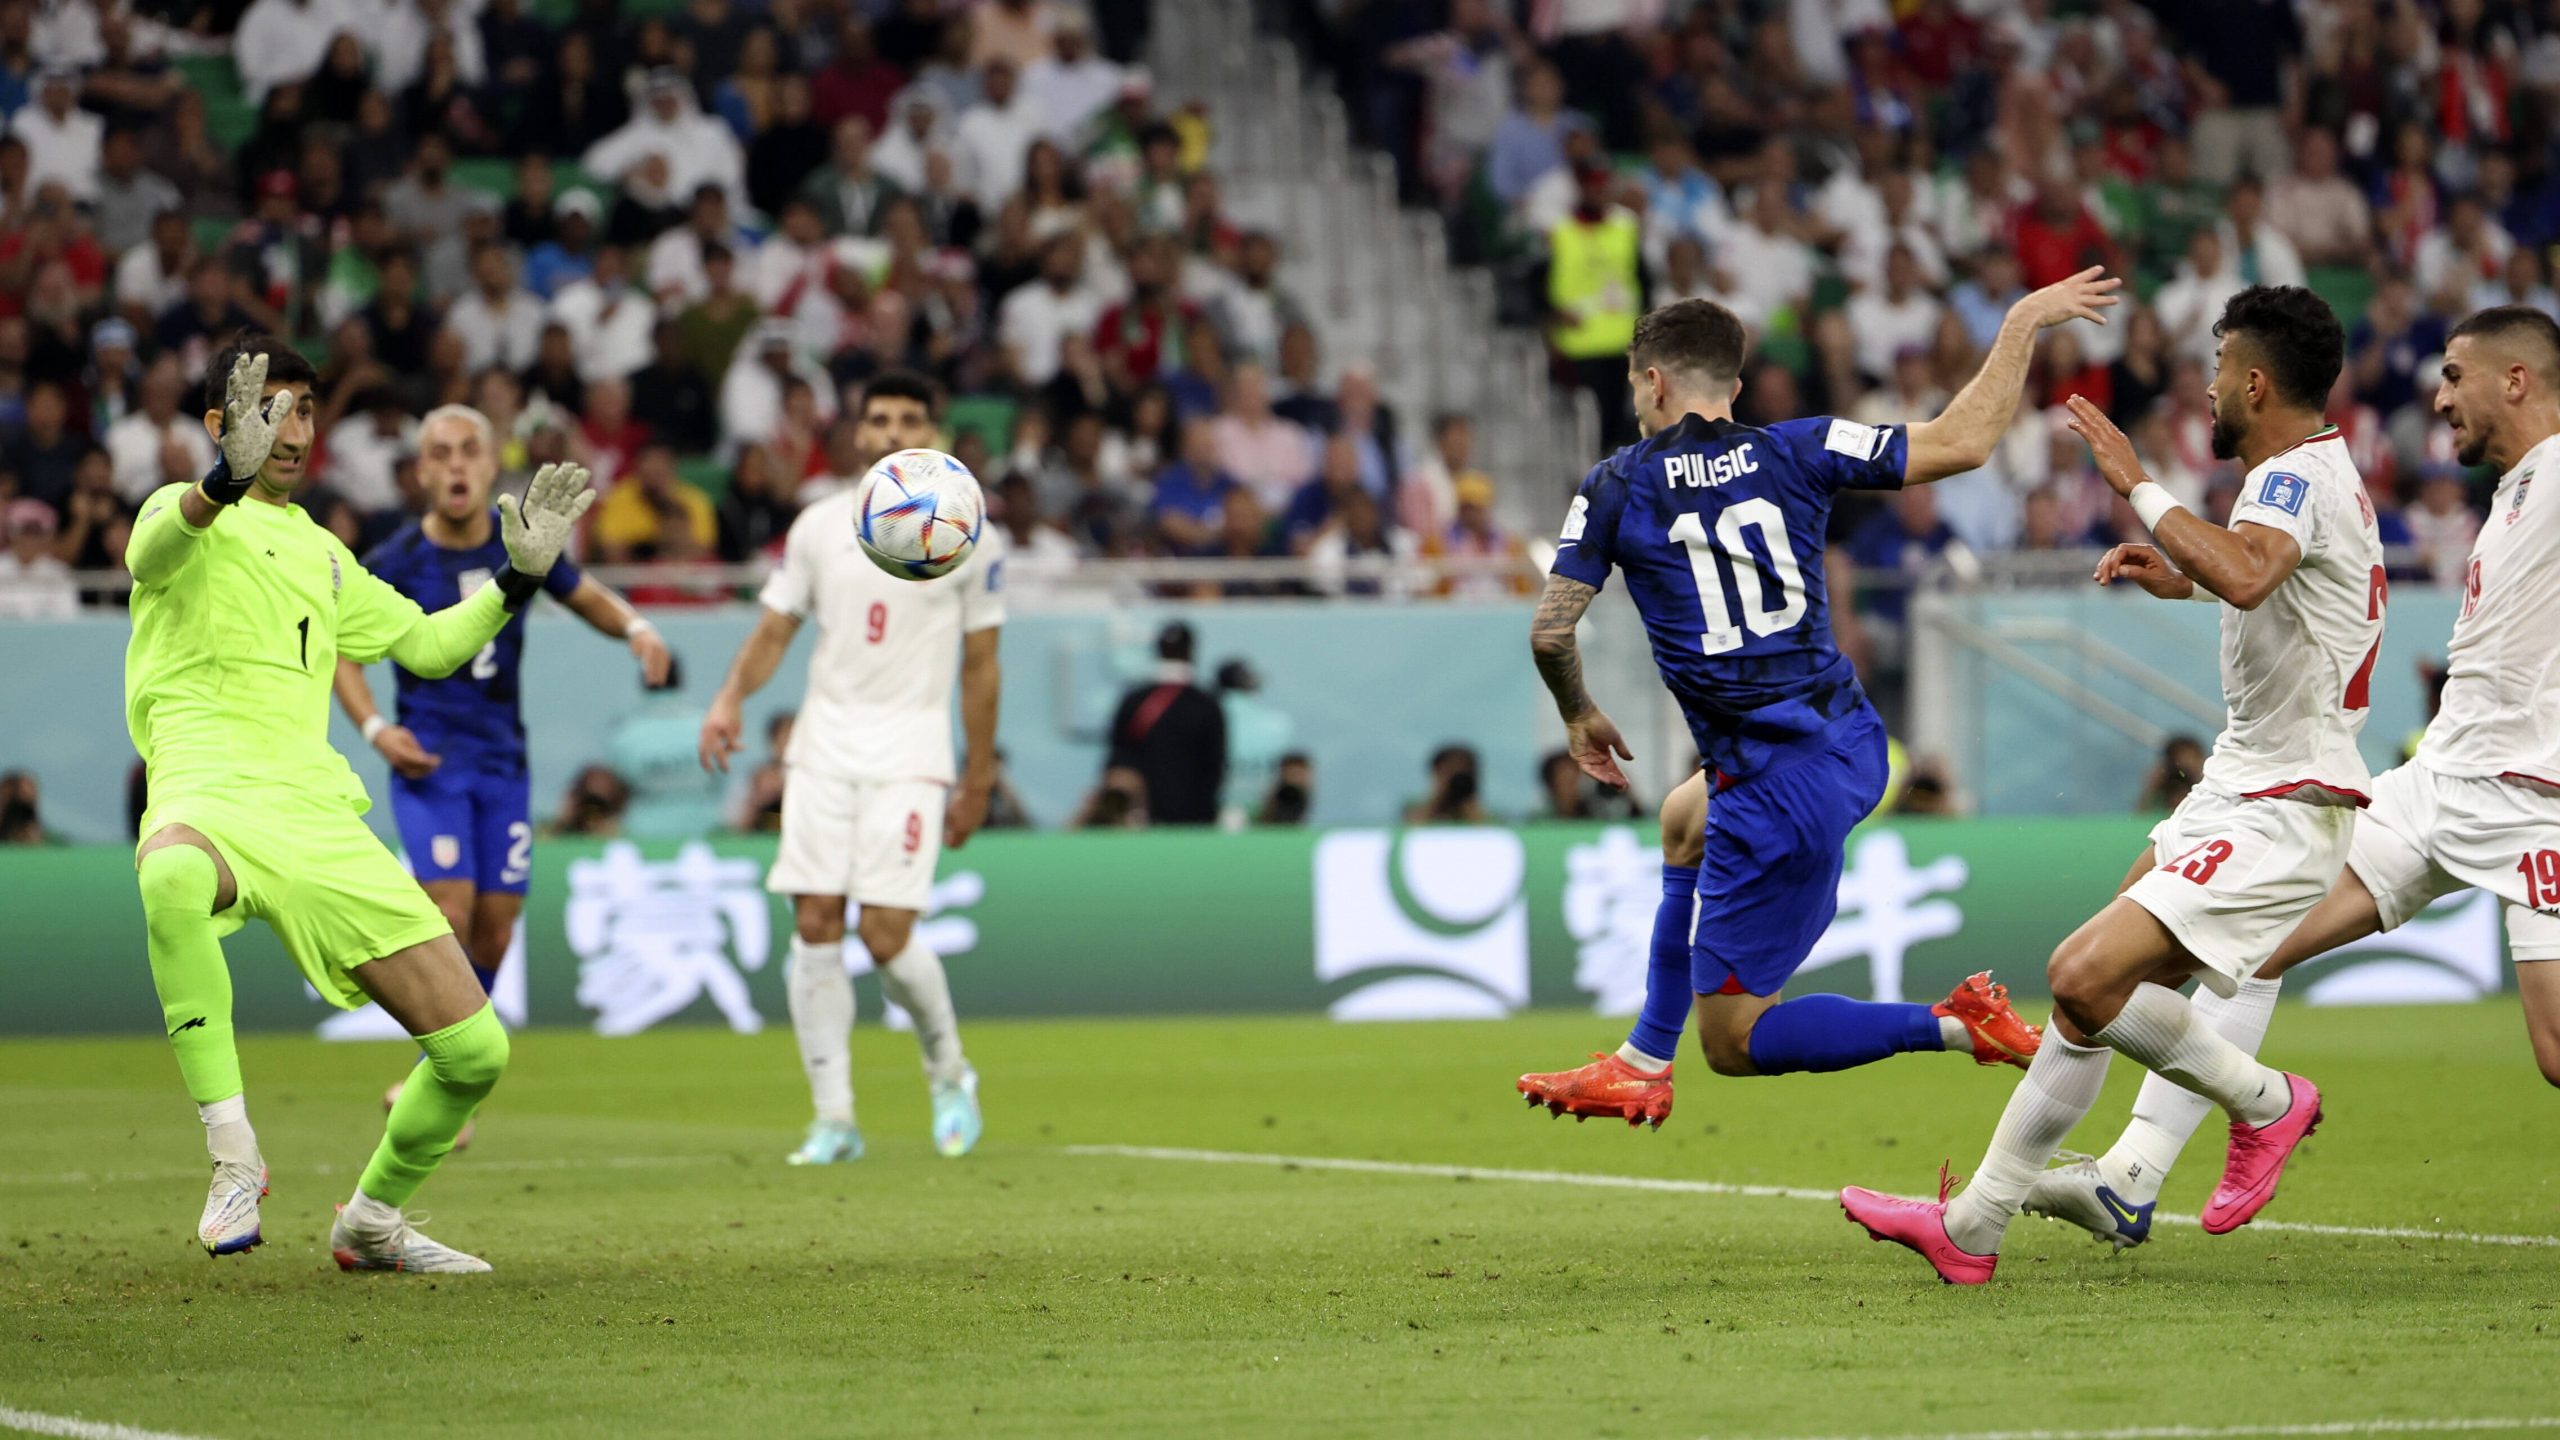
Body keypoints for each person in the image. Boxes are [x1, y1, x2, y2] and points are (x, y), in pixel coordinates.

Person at [1844, 286, 2380, 1284]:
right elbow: (2280, 589)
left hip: (2285, 799)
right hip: (2243, 783)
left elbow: (2256, 573)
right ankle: (1973, 1226)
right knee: (2092, 1003)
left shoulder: (2290, 483)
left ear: (2254, 382)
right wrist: (2183, 570)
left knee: (2084, 977)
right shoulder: (2313, 474)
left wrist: (2139, 486)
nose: (2209, 389)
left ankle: (2266, 1104)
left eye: (2219, 370)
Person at [1515, 272, 2120, 1128]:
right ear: (1733, 381)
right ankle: (1643, 1057)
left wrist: (1579, 713)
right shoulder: (1799, 447)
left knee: (1732, 1043)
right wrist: (2020, 319)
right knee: (1683, 820)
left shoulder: (1616, 484)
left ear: (1653, 382)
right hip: (1851, 744)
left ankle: (1954, 1024)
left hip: (1772, 791)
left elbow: (1549, 632)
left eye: (1634, 386)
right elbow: (1964, 440)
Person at [2024, 307, 2560, 1251]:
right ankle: (2134, 1175)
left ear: (2516, 379)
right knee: (2249, 944)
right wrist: (2189, 581)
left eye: (2454, 376)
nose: (2436, 398)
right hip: (2439, 779)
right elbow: (2324, 584)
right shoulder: (2516, 489)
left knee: (2554, 1054)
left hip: (2538, 802)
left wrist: (2148, 497)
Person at [125, 338, 590, 1273]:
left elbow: (423, 646)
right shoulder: (183, 517)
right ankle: (233, 1156)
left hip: (317, 817)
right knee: (172, 874)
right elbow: (151, 547)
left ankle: (371, 1221)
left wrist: (516, 581)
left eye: (302, 410)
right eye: (268, 410)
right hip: (207, 791)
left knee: (475, 1052)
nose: (291, 430)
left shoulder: (324, 554)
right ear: (221, 427)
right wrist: (219, 482)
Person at [697, 371, 1001, 1165]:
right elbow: (774, 633)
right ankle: (834, 1116)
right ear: (858, 434)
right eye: (879, 419)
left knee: (888, 932)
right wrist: (730, 697)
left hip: (911, 750)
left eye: (910, 416)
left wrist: (978, 779)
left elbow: (982, 668)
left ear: (933, 429)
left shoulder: (968, 529)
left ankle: (948, 1069)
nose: (894, 429)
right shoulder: (819, 526)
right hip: (825, 746)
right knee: (815, 924)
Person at [331, 403, 670, 1029]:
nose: (457, 465)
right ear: (421, 473)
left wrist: (637, 628)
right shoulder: (395, 560)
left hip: (502, 763)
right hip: (430, 762)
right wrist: (376, 730)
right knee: (449, 912)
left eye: (469, 451)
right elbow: (340, 653)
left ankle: (451, 1075)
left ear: (491, 464)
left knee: (493, 933)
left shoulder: (519, 547)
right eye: (441, 454)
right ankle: (444, 1063)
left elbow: (582, 592)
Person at [1103, 621, 1226, 826]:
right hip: (1194, 818)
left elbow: (1118, 760)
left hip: (1144, 819)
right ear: (1191, 652)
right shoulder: (1206, 704)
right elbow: (1215, 764)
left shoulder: (1135, 700)